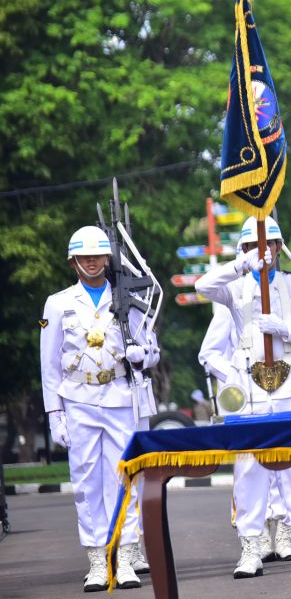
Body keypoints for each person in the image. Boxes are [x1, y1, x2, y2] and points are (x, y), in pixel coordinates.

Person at [195, 216, 291, 578]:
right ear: (244, 250)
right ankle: (251, 546)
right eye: (254, 246)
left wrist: (285, 329)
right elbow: (203, 285)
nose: (263, 251)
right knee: (249, 468)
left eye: (268, 244)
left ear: (279, 248)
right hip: (251, 387)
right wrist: (240, 266)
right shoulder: (234, 289)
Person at [40, 225, 161, 591]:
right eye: (84, 257)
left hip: (120, 396)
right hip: (78, 400)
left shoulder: (127, 297)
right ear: (73, 262)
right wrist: (54, 413)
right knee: (85, 481)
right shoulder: (58, 303)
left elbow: (152, 348)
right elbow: (49, 364)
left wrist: (143, 356)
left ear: (107, 258)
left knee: (124, 476)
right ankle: (97, 559)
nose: (92, 262)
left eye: (97, 256)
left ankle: (125, 556)